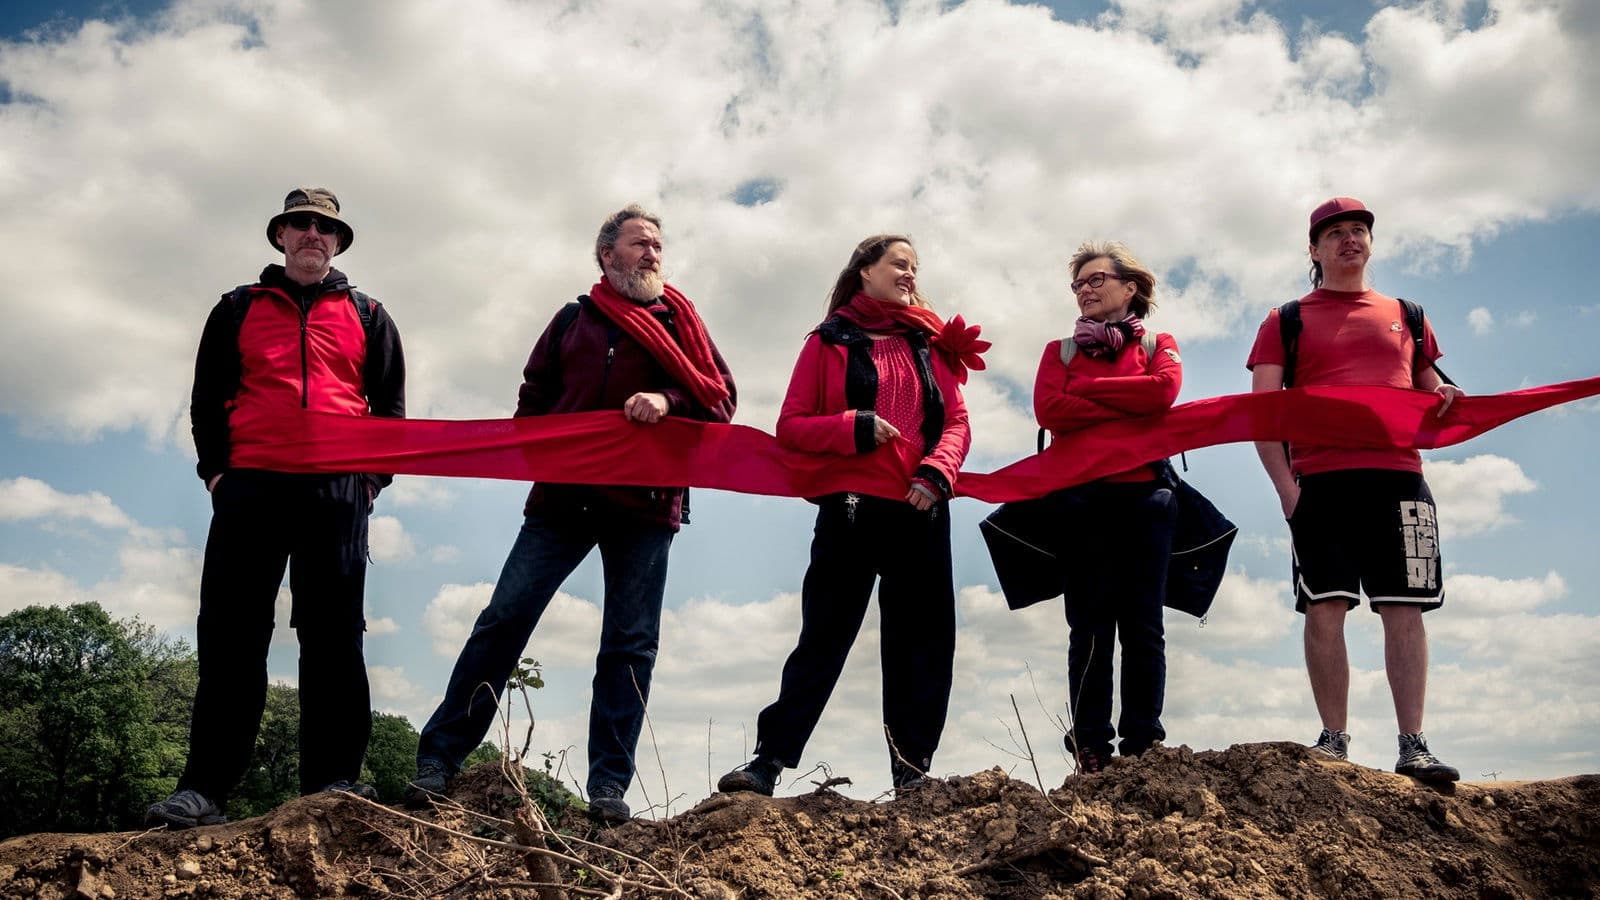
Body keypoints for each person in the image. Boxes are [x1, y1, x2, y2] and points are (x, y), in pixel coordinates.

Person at [407, 205, 736, 825]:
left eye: (658, 245)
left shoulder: (682, 323)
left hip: (645, 506)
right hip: (562, 502)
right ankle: (438, 761)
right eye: (639, 244)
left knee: (629, 643)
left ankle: (608, 786)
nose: (652, 254)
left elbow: (720, 400)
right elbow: (532, 400)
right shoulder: (571, 321)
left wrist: (667, 400)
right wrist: (551, 451)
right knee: (503, 620)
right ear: (607, 255)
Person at [147, 188, 407, 829]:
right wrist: (216, 474)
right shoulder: (237, 307)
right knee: (231, 634)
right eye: (301, 224)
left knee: (334, 637)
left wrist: (371, 480)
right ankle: (204, 790)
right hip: (251, 489)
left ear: (338, 241)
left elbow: (390, 411)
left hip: (336, 494)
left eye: (325, 227)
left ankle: (333, 785)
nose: (313, 234)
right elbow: (207, 399)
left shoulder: (370, 315)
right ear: (281, 236)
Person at [717, 234, 975, 796]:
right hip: (850, 509)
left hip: (923, 506)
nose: (910, 274)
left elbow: (957, 421)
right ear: (865, 272)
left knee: (923, 642)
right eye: (899, 264)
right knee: (824, 637)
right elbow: (792, 424)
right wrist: (852, 426)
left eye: (915, 266)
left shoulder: (931, 343)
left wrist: (938, 470)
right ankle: (768, 763)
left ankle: (912, 774)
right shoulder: (826, 341)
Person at [1247, 197, 1463, 783]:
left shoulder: (1408, 315)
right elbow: (1260, 414)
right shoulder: (1285, 320)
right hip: (1321, 483)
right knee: (1325, 605)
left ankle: (1413, 745)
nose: (1349, 239)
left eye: (1359, 231)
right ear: (1314, 250)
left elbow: (1432, 388)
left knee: (1405, 609)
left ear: (1370, 243)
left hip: (1402, 479)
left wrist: (1445, 393)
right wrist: (1287, 492)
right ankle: (1334, 741)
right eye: (1336, 233)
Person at [1032, 242, 1182, 775]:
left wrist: (1090, 398)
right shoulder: (1059, 352)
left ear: (1130, 288)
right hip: (1080, 501)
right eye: (1078, 284)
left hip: (1147, 500)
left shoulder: (1160, 344)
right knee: (1089, 628)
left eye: (1096, 280)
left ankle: (1142, 744)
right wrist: (1126, 399)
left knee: (1144, 626)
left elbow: (1162, 394)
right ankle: (1091, 746)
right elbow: (1049, 409)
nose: (1085, 290)